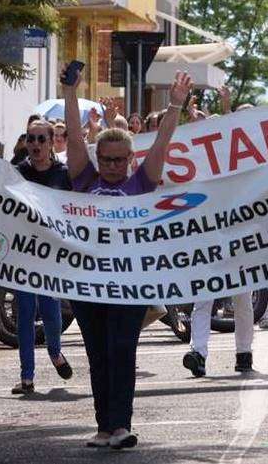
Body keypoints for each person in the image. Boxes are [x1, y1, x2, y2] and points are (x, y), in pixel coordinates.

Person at [64, 67, 192, 450]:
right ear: (98, 157)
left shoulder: (141, 182)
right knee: (97, 353)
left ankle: (121, 425)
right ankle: (103, 427)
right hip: (88, 284)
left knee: (122, 349)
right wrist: (70, 94)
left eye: (119, 160)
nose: (112, 166)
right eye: (106, 159)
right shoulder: (85, 180)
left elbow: (163, 142)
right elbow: (74, 137)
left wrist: (175, 105)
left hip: (129, 284)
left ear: (130, 159)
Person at [11, 119, 73, 395]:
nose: (35, 144)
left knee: (50, 307)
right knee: (24, 311)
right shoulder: (17, 173)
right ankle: (27, 377)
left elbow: (75, 209)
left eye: (41, 139)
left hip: (52, 252)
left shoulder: (63, 174)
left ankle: (55, 352)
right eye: (30, 138)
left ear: (51, 143)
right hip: (24, 251)